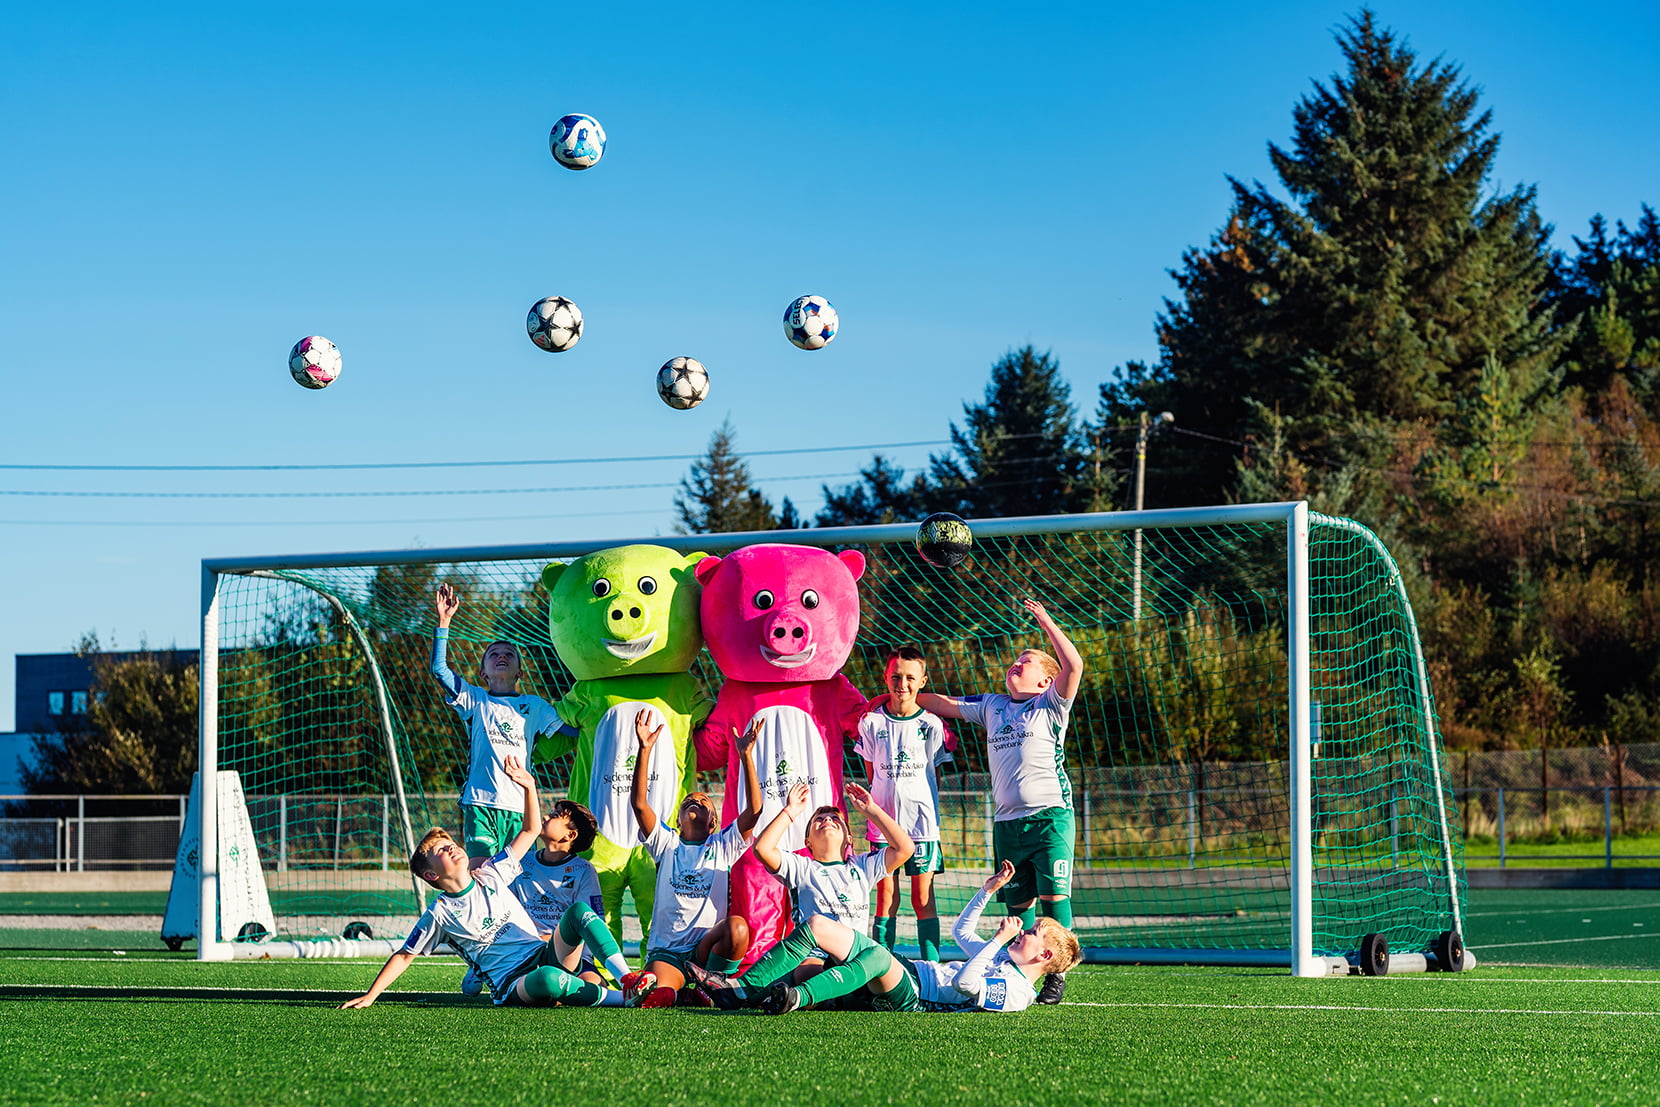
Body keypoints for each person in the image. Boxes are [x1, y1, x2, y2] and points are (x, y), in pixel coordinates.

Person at [339, 756, 653, 1010]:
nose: (451, 847)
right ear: (431, 875)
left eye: (451, 843)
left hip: (545, 953)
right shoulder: (440, 913)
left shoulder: (492, 872)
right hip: (513, 983)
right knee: (547, 979)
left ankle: (627, 980)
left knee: (579, 913)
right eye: (440, 851)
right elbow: (404, 955)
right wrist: (371, 995)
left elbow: (529, 830)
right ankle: (622, 1000)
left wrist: (529, 786)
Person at [906, 597, 1084, 1005]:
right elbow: (943, 704)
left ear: (1046, 681)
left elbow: (1073, 666)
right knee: (1018, 904)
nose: (1016, 664)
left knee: (1055, 899)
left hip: (1051, 818)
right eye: (1015, 660)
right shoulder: (992, 706)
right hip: (1007, 824)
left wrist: (1045, 619)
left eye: (1026, 662)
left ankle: (1057, 976)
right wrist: (902, 697)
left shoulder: (1050, 705)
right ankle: (1014, 969)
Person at [693, 860, 1080, 1015]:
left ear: (1044, 956)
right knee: (817, 925)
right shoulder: (1006, 960)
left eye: (1032, 933)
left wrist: (996, 940)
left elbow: (965, 985)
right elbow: (960, 931)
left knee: (877, 957)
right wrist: (987, 890)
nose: (1023, 931)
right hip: (910, 973)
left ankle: (796, 999)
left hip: (917, 997)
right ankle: (741, 989)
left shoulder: (1017, 993)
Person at [631, 709, 764, 1008]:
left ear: (713, 823)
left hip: (705, 950)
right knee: (656, 994)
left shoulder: (723, 845)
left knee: (737, 928)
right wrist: (644, 749)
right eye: (689, 800)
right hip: (668, 953)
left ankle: (713, 985)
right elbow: (639, 805)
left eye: (704, 801)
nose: (695, 800)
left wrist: (746, 756)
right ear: (677, 820)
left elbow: (755, 811)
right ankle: (685, 991)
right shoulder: (666, 843)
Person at [431, 583, 566, 868]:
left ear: (520, 672)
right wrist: (444, 622)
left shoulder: (535, 706)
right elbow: (439, 670)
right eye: (494, 654)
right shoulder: (476, 699)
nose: (501, 656)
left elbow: (572, 732)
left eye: (509, 654)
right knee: (482, 873)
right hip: (480, 804)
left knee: (518, 878)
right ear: (483, 672)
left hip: (520, 807)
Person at [857, 644, 956, 960]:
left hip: (921, 825)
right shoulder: (871, 723)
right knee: (885, 895)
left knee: (922, 897)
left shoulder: (932, 725)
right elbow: (872, 773)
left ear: (923, 681)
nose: (903, 684)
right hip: (882, 825)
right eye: (896, 676)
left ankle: (931, 966)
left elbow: (934, 774)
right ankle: (880, 965)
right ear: (885, 678)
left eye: (911, 678)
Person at [507, 799, 632, 992]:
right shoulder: (522, 861)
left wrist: (559, 944)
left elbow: (590, 922)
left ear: (570, 835)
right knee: (542, 985)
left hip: (570, 954)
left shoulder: (583, 870)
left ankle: (628, 983)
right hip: (527, 951)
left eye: (555, 815)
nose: (545, 817)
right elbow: (505, 910)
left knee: (591, 984)